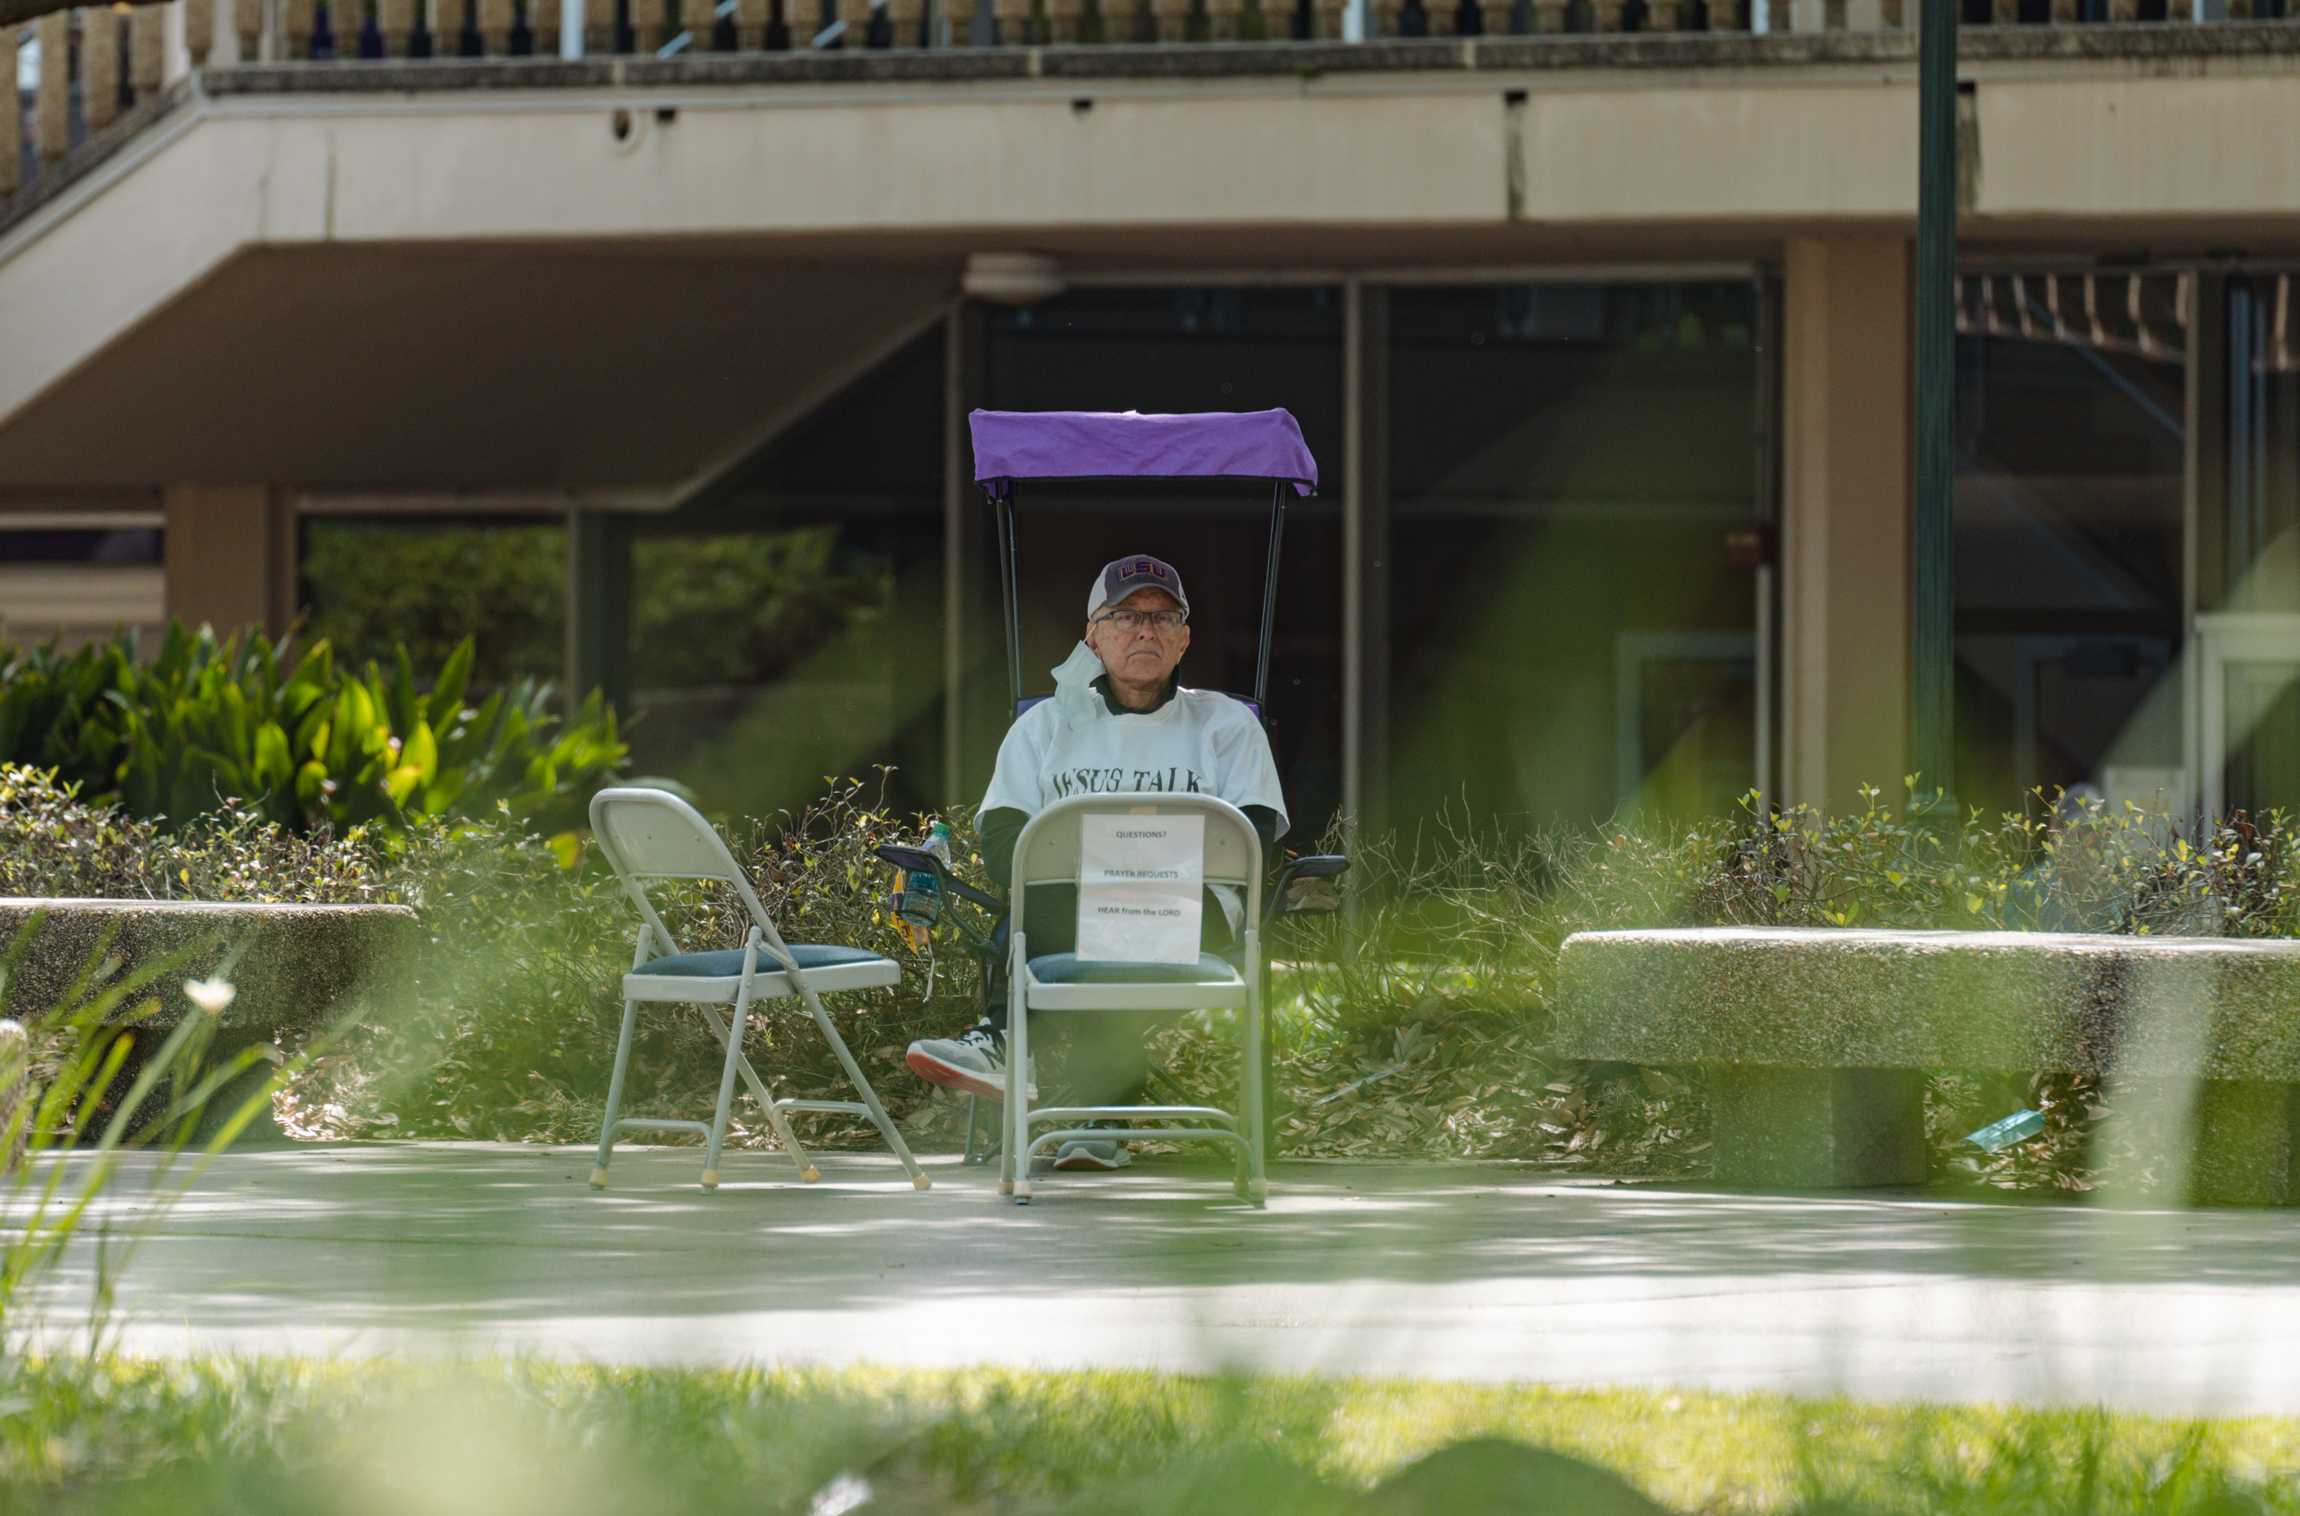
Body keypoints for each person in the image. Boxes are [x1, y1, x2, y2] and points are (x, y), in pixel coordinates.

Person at [905, 554, 1287, 1171]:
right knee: (1054, 892)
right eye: (1126, 616)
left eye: (1164, 618)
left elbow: (1254, 839)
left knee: (1083, 907)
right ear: (1093, 633)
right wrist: (1106, 872)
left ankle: (1007, 1043)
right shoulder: (1046, 727)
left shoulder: (1224, 724)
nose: (1146, 631)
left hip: (1189, 921)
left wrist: (1133, 869)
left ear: (1185, 637)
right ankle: (1090, 1110)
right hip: (1070, 916)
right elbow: (1006, 847)